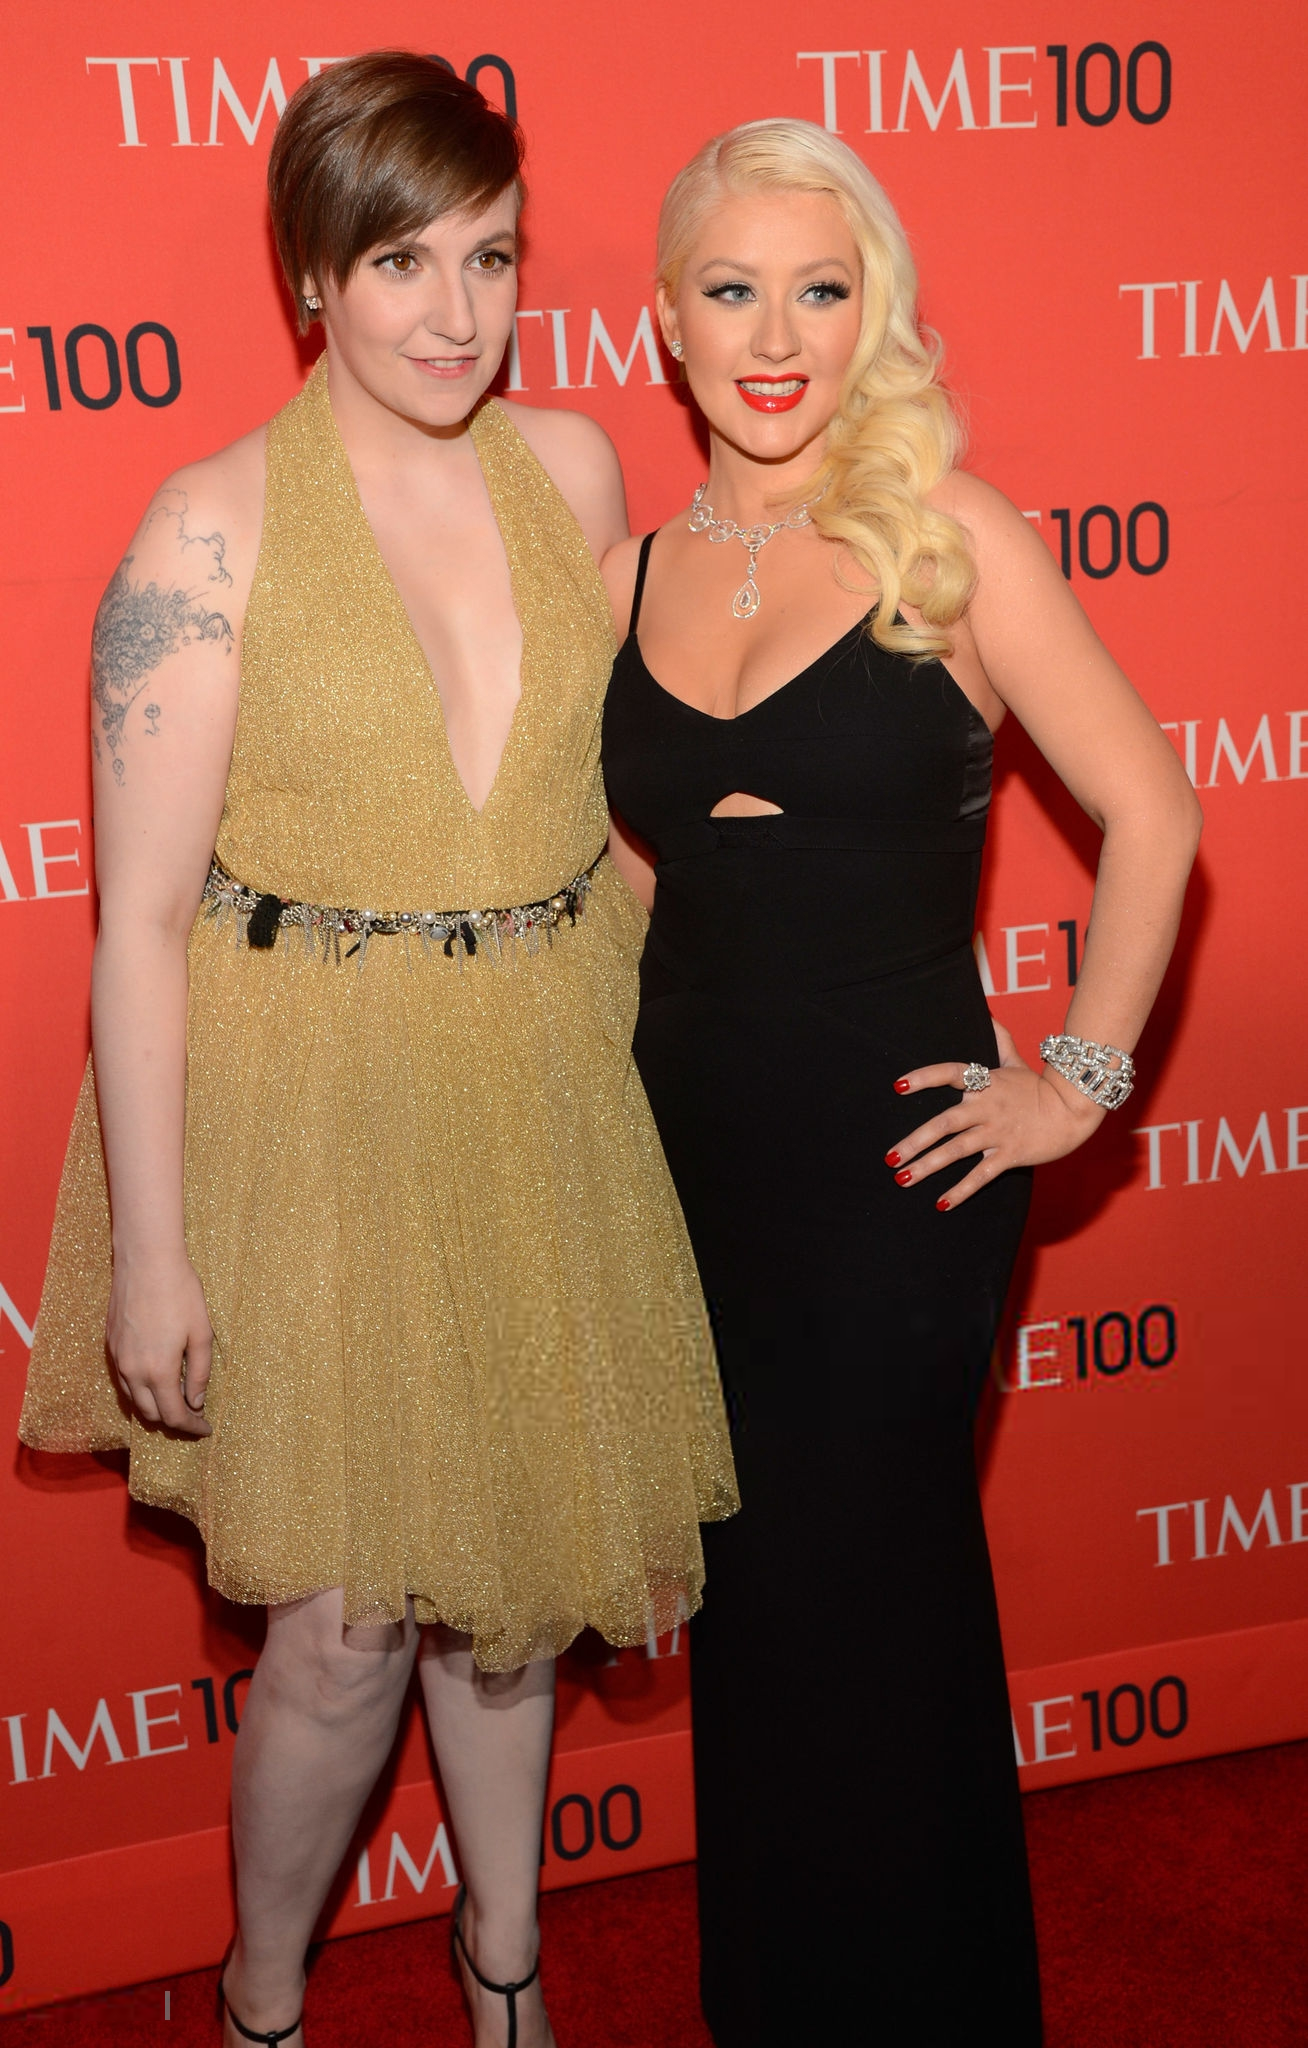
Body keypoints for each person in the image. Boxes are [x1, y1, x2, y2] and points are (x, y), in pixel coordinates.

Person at [20, 53, 736, 2048]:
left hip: (542, 1079)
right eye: (403, 261)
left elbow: (612, 821)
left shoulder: (574, 472)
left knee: (509, 1599)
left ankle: (503, 1966)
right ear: (312, 276)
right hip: (318, 1110)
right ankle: (265, 1997)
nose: (454, 311)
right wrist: (154, 1255)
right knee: (340, 1642)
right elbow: (139, 925)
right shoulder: (207, 529)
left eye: (491, 259)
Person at [601, 118, 1201, 2046]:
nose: (777, 338)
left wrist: (1076, 1085)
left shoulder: (951, 544)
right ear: (668, 320)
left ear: (876, 313)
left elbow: (1155, 813)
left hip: (900, 1169)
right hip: (693, 1159)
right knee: (758, 1605)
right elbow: (626, 878)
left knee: (877, 1595)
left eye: (822, 289)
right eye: (734, 290)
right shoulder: (624, 575)